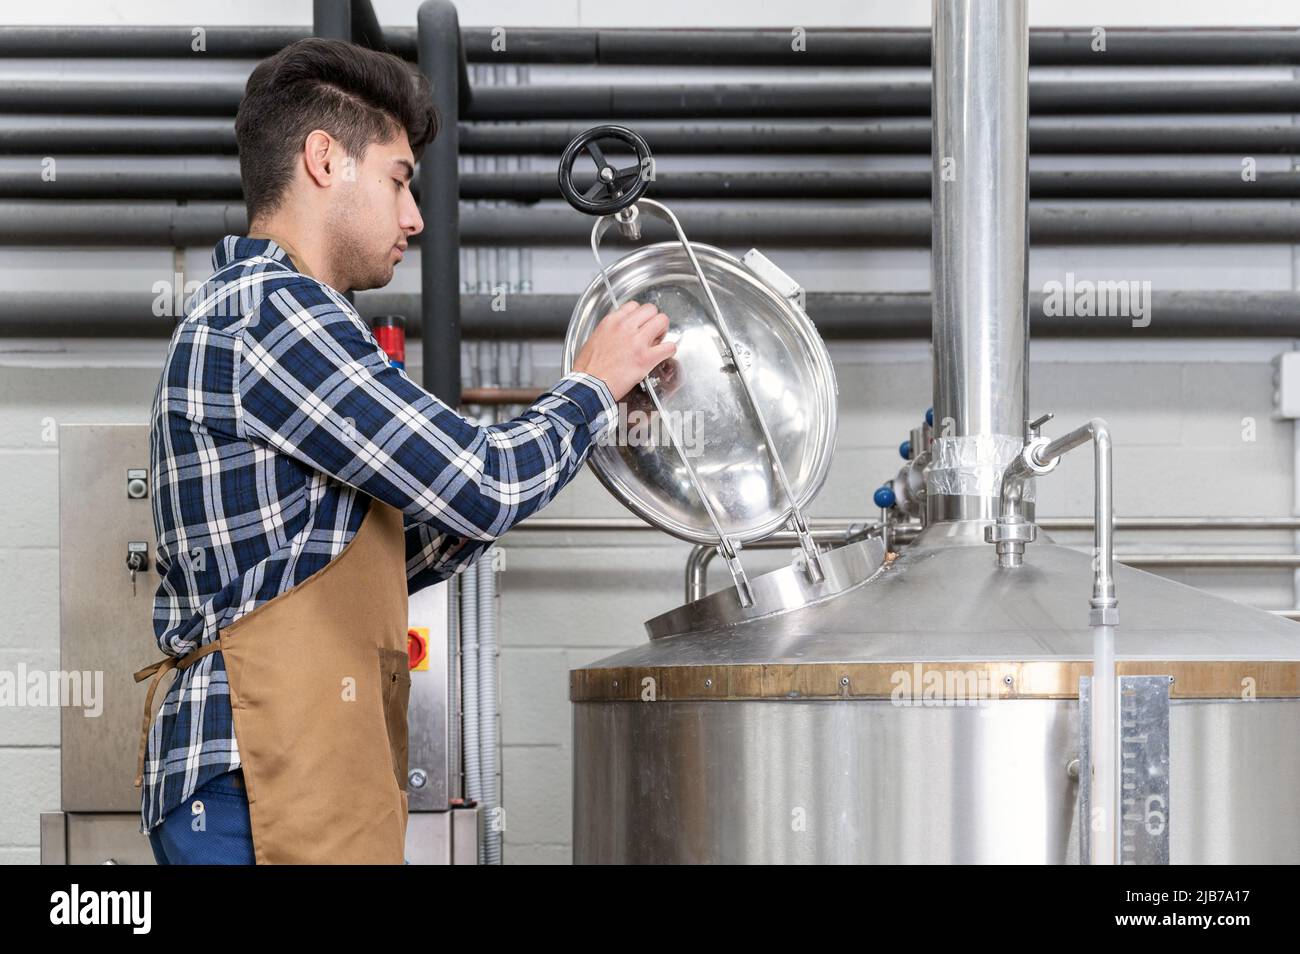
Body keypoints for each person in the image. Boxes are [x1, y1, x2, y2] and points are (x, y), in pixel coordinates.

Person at [136, 36, 673, 864]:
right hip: (258, 780)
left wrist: (591, 417)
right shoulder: (277, 316)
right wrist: (590, 388)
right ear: (324, 160)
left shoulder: (270, 318)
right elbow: (484, 482)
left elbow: (390, 554)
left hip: (283, 771)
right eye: (398, 178)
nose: (415, 216)